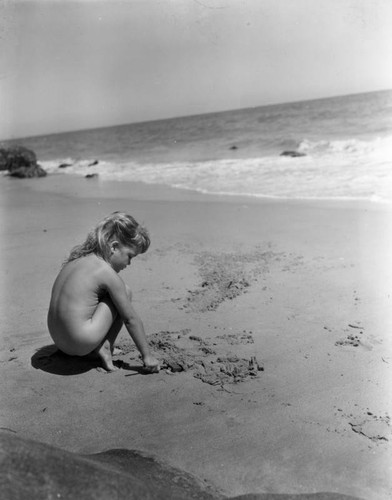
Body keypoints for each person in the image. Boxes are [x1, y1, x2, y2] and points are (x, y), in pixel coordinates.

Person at [47, 212, 160, 373]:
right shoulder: (105, 271)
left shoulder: (76, 260)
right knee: (124, 292)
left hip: (58, 340)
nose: (129, 263)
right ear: (114, 247)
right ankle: (106, 346)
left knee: (98, 295)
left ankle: (95, 345)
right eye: (130, 256)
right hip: (80, 341)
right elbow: (130, 319)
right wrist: (147, 356)